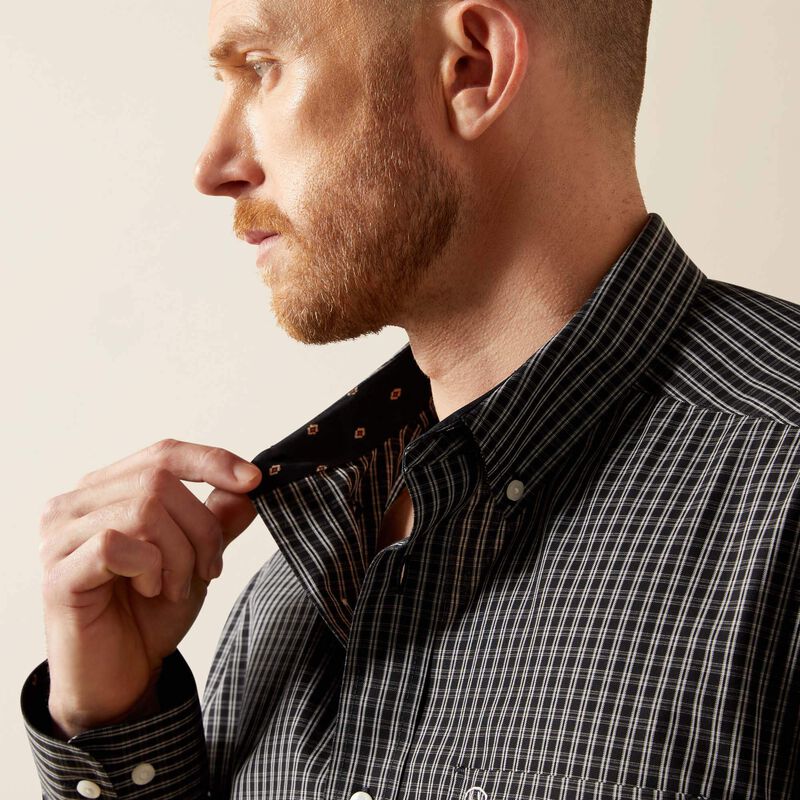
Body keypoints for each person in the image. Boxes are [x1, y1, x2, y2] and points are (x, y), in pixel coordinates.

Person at [20, 0, 799, 798]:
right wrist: (114, 723)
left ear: (472, 68)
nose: (211, 167)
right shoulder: (284, 599)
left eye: (261, 67)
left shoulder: (786, 501)